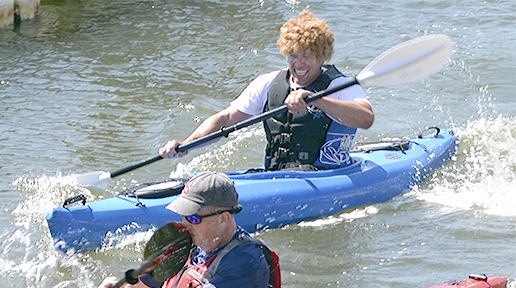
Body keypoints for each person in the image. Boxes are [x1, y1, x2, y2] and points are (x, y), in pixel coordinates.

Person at [40, 172, 285, 288]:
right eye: (183, 215)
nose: (185, 223)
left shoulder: (245, 260)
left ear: (224, 218)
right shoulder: (186, 244)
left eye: (194, 218)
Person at [159, 9, 374, 171]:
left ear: (322, 57)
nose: (298, 64)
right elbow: (225, 119)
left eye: (306, 56)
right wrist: (186, 144)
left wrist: (317, 100)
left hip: (325, 175)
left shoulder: (339, 86)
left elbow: (366, 118)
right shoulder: (269, 83)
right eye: (292, 55)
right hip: (276, 174)